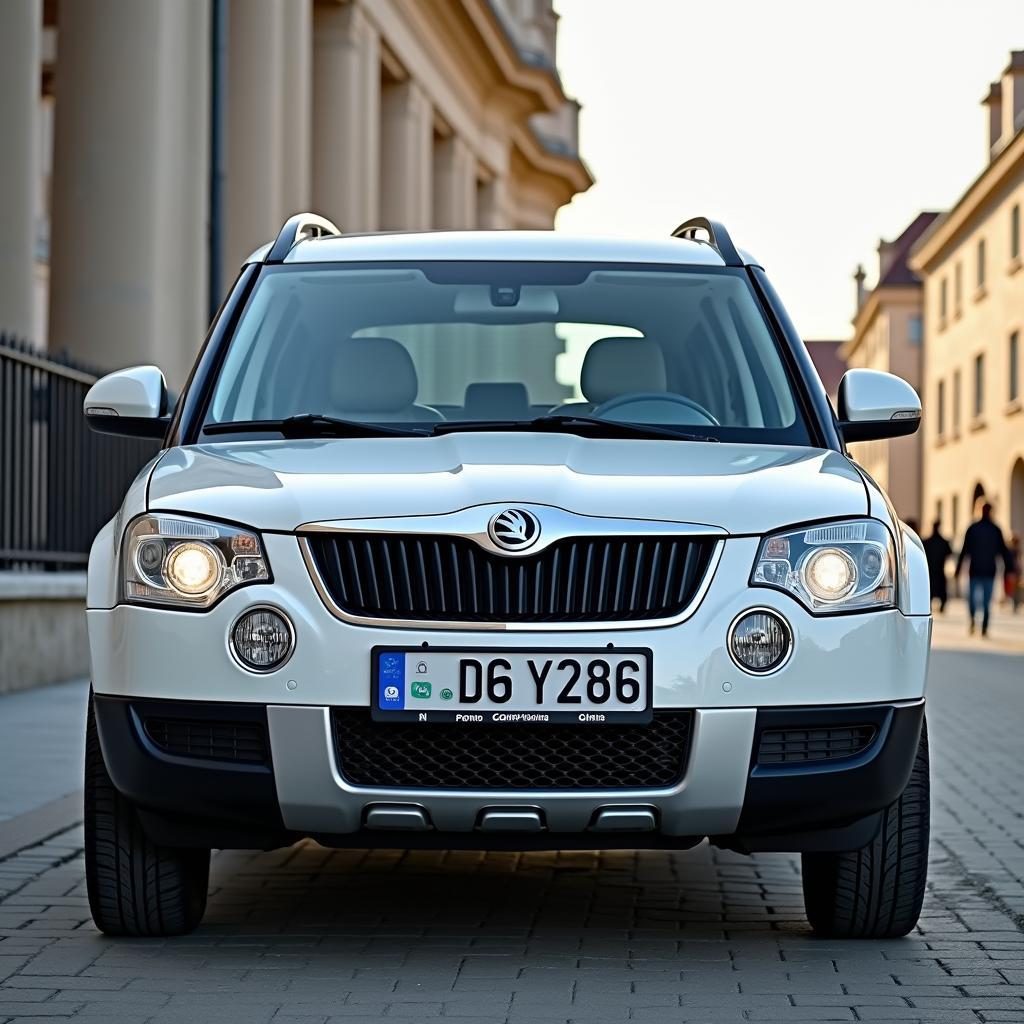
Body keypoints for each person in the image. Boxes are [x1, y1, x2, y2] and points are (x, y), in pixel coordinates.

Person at [955, 503, 1012, 636]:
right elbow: (1003, 551)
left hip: (977, 570)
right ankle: (982, 626)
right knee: (984, 601)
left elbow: (964, 551)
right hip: (986, 571)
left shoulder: (973, 528)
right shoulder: (995, 529)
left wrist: (958, 568)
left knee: (974, 600)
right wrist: (1009, 568)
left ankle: (976, 623)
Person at [922, 520, 953, 613]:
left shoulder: (927, 542)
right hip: (937, 570)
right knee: (939, 590)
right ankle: (940, 605)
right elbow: (949, 553)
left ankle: (934, 605)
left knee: (933, 589)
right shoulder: (942, 542)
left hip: (933, 570)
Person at [1005, 533, 1022, 613]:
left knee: (1013, 590)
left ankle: (1014, 606)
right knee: (1014, 590)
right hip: (1016, 571)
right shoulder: (1017, 550)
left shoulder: (1012, 551)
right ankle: (1014, 606)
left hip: (1012, 572)